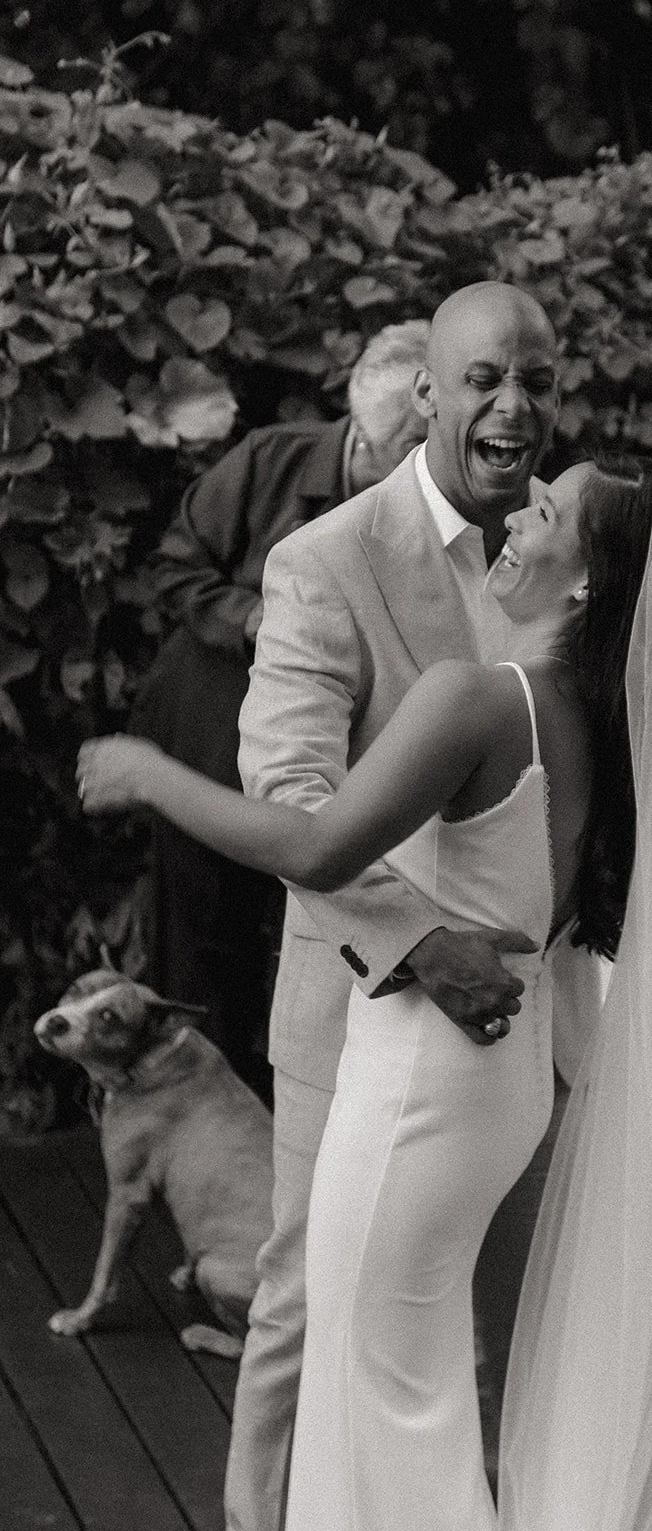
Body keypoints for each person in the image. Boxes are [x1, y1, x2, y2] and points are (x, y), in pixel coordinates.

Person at [77, 451, 652, 1531]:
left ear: (583, 584)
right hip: (500, 1082)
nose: (515, 515)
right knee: (405, 1382)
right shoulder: (593, 717)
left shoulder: (477, 697)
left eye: (547, 512)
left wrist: (153, 775)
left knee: (377, 1387)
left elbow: (320, 846)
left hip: (422, 1087)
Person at [128, 320, 430, 1097]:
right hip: (210, 710)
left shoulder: (430, 496)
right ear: (363, 425)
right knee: (201, 922)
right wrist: (260, 620)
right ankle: (197, 1103)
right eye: (407, 436)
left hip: (336, 743)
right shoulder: (269, 458)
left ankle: (294, 1098)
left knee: (316, 909)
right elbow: (172, 571)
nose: (421, 455)